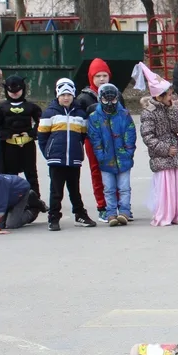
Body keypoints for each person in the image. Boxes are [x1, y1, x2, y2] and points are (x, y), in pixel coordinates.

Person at [136, 62, 178, 226]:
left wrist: (173, 110)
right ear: (158, 97)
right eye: (168, 95)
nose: (172, 98)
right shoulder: (149, 113)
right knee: (166, 188)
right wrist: (164, 149)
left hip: (175, 154)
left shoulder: (172, 108)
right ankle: (165, 214)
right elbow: (147, 136)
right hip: (162, 156)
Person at [39, 78, 95, 230]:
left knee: (74, 190)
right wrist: (49, 153)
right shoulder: (50, 113)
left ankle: (80, 214)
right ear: (57, 95)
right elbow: (42, 137)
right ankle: (53, 217)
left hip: (74, 159)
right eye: (63, 94)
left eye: (69, 94)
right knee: (56, 191)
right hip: (56, 159)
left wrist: (76, 148)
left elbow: (83, 135)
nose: (66, 97)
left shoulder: (80, 114)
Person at [75, 58, 121, 220]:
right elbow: (80, 123)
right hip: (94, 142)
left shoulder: (116, 94)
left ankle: (119, 205)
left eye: (104, 75)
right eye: (97, 76)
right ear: (91, 78)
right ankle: (102, 206)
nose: (102, 79)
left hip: (114, 140)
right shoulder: (84, 98)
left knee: (117, 171)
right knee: (97, 172)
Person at [86, 83, 137, 226]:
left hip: (123, 159)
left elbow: (130, 133)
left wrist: (128, 152)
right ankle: (111, 213)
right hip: (105, 160)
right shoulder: (94, 117)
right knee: (108, 188)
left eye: (113, 100)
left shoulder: (124, 114)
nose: (110, 103)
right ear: (100, 99)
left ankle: (125, 212)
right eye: (106, 100)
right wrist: (101, 155)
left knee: (124, 187)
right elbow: (94, 139)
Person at [0, 75, 42, 197]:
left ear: (23, 89)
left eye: (17, 90)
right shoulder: (0, 108)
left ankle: (35, 198)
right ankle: (10, 198)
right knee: (9, 174)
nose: (14, 93)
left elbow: (41, 122)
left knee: (31, 173)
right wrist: (6, 135)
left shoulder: (31, 107)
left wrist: (31, 133)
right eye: (11, 91)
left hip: (27, 144)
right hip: (9, 145)